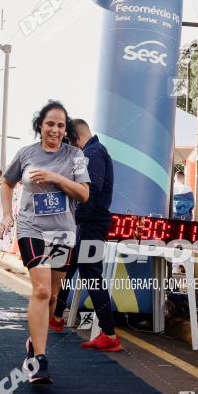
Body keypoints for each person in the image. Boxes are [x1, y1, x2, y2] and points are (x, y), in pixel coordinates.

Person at [0, 100, 90, 384]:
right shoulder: (26, 153)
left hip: (62, 231)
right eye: (50, 123)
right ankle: (39, 358)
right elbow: (7, 182)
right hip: (32, 229)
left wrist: (54, 177)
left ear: (66, 130)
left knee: (52, 295)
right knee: (40, 290)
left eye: (61, 125)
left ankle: (33, 340)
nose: (55, 129)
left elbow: (84, 194)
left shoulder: (75, 156)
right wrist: (6, 214)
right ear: (40, 125)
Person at [50, 119, 121, 352]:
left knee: (91, 275)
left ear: (74, 138)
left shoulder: (93, 153)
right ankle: (57, 317)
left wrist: (70, 218)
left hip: (92, 224)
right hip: (87, 223)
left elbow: (90, 194)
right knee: (67, 267)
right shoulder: (91, 152)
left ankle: (109, 334)